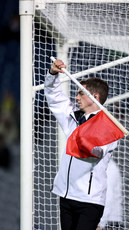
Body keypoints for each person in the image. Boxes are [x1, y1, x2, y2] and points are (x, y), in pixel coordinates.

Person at [44, 59, 119, 230]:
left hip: (89, 201)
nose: (76, 97)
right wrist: (53, 74)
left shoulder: (110, 126)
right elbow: (53, 96)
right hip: (66, 195)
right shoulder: (72, 116)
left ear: (95, 97)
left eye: (80, 93)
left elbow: (97, 152)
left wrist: (81, 137)